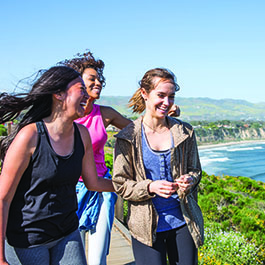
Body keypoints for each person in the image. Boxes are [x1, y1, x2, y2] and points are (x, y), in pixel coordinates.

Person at [59, 51, 181, 265]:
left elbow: (141, 130)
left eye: (99, 79)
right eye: (91, 79)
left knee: (97, 257)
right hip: (69, 190)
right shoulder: (63, 115)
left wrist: (166, 113)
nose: (98, 82)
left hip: (100, 188)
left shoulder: (105, 114)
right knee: (72, 255)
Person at [0, 66, 114, 265]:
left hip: (67, 231)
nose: (87, 95)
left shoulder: (82, 134)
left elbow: (93, 182)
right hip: (28, 239)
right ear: (58, 94)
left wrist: (136, 186)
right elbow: (3, 199)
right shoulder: (30, 136)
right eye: (81, 88)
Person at [112, 68, 204, 265]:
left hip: (183, 222)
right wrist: (150, 187)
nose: (167, 102)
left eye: (171, 96)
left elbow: (195, 170)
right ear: (144, 94)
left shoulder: (184, 131)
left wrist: (190, 180)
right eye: (161, 95)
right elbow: (120, 184)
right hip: (145, 228)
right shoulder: (128, 137)